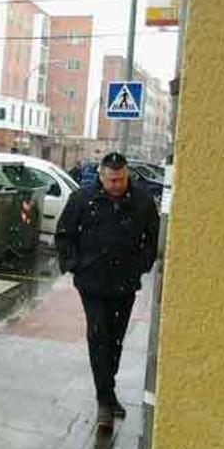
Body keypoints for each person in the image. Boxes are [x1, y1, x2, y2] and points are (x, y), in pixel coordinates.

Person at [55, 152, 160, 425]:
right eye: (112, 180)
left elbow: (151, 238)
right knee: (99, 335)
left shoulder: (142, 201)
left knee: (115, 340)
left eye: (121, 179)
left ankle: (108, 390)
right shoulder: (83, 199)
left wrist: (142, 265)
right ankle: (104, 401)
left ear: (127, 175)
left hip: (125, 282)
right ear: (102, 177)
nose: (117, 184)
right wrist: (74, 264)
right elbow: (65, 234)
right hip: (92, 282)